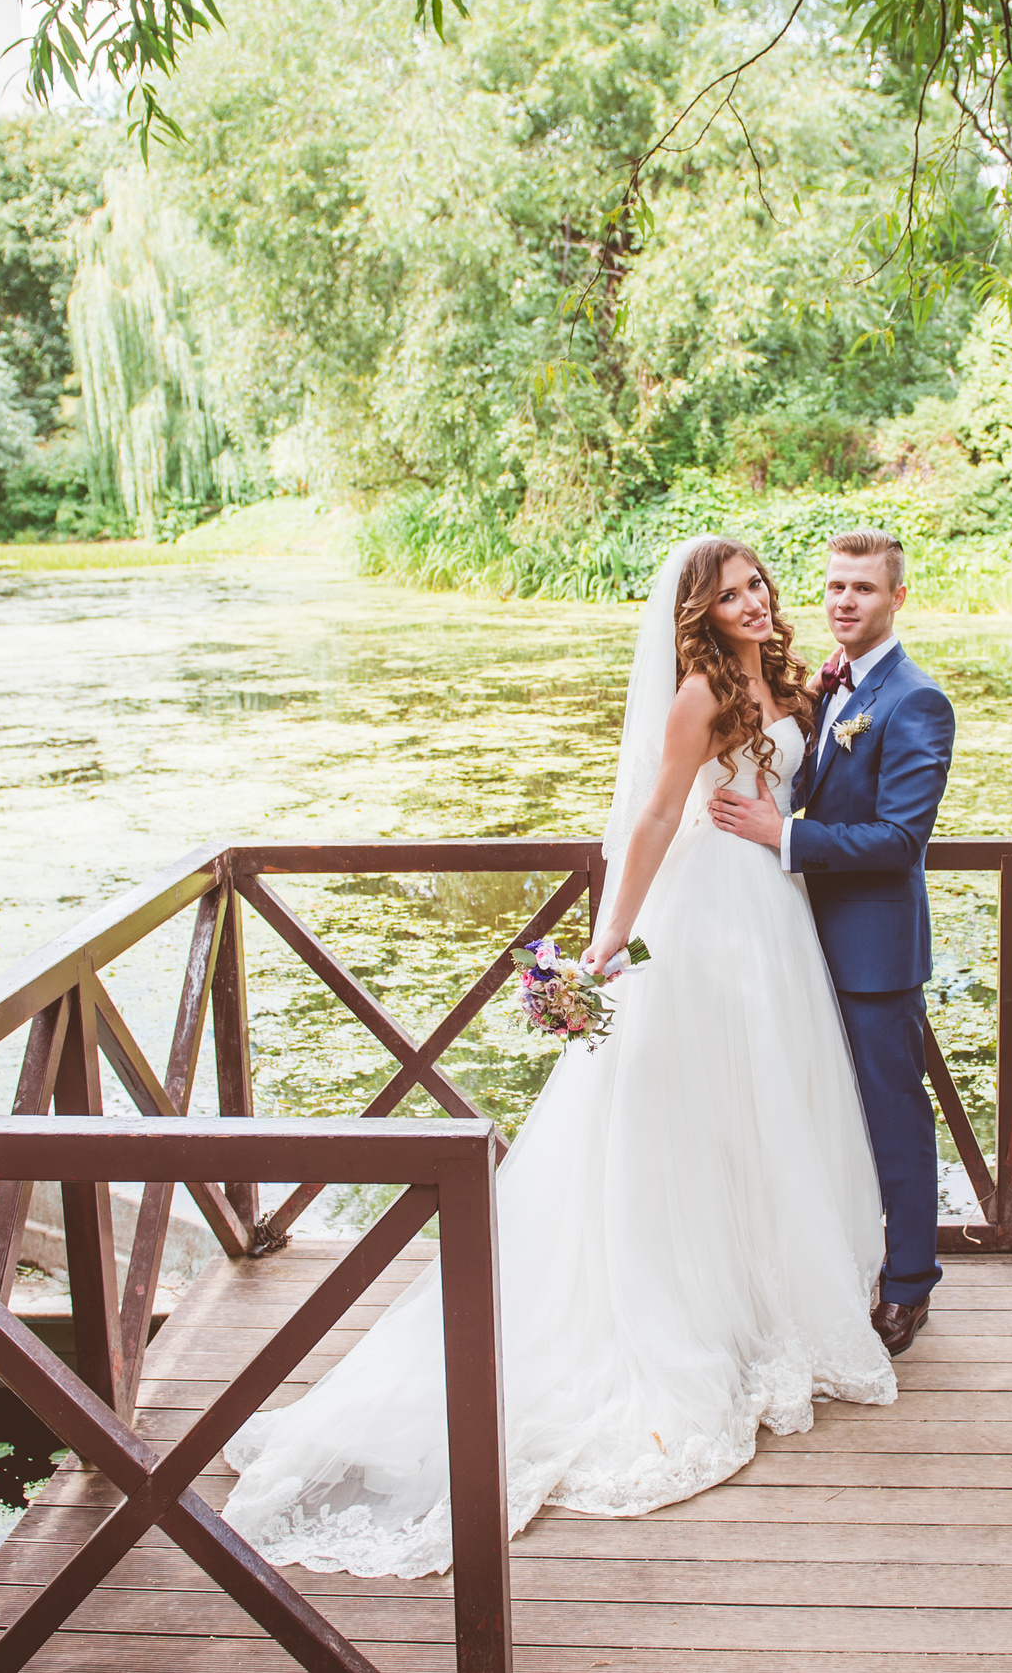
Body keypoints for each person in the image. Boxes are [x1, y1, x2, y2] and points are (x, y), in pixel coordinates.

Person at [221, 535, 900, 1579]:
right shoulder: (696, 699)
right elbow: (652, 820)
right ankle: (686, 1317)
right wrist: (606, 946)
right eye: (730, 594)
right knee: (688, 1112)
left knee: (765, 1111)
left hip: (773, 916)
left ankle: (759, 1303)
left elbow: (791, 796)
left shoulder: (792, 689)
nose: (756, 602)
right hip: (703, 920)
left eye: (759, 583)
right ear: (698, 612)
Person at [708, 529, 955, 1355]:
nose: (845, 601)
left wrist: (784, 837)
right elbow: (802, 779)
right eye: (834, 587)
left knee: (894, 1119)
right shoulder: (836, 687)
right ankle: (837, 1263)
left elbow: (898, 839)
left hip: (875, 951)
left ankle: (911, 1285)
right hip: (799, 938)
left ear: (897, 599)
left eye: (864, 589)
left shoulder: (918, 699)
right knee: (818, 1115)